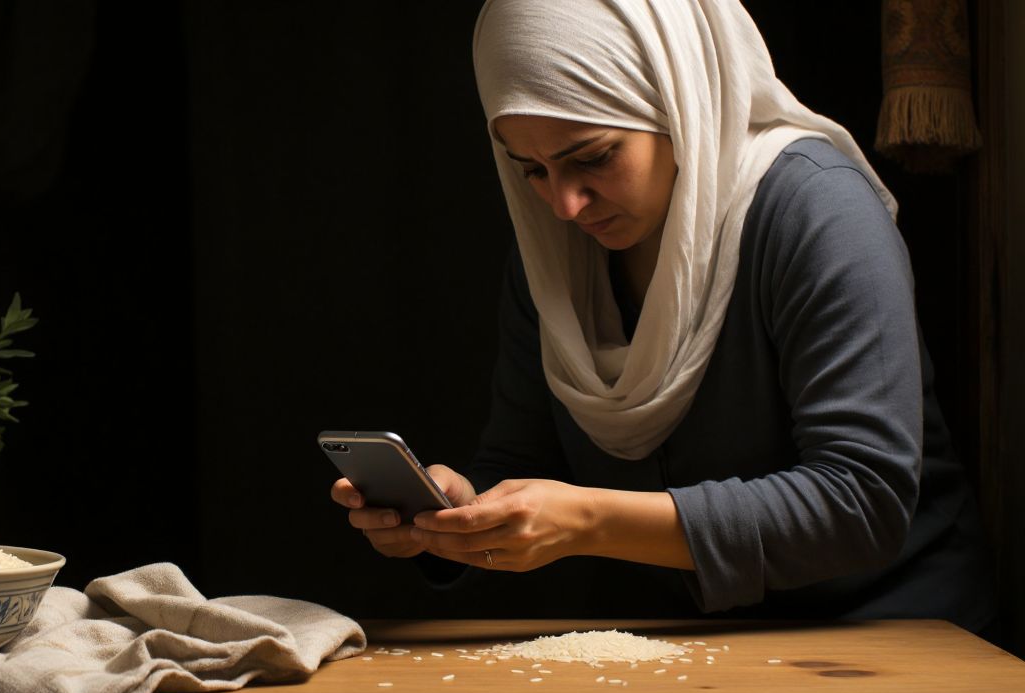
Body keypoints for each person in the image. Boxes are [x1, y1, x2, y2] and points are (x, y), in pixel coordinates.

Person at [329, 0, 996, 633]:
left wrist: (590, 520)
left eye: (593, 157)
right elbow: (519, 458)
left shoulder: (816, 212)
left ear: (679, 104)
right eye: (529, 168)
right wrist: (455, 515)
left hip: (892, 636)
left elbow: (862, 500)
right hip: (684, 648)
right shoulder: (557, 253)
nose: (564, 203)